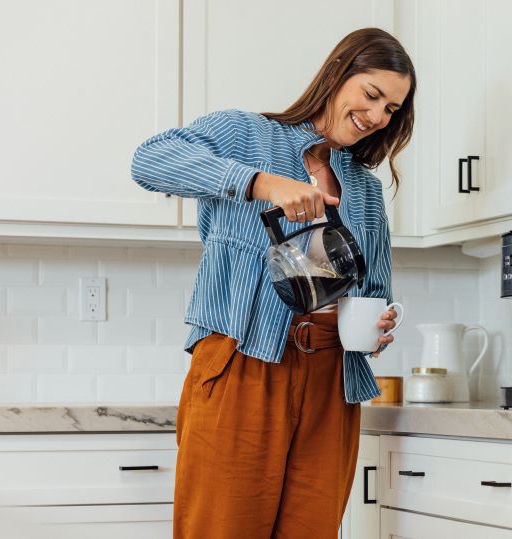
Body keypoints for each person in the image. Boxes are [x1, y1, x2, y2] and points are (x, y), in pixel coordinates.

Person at [130, 28, 415, 538]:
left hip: (333, 377)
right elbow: (149, 160)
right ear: (338, 74)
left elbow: (374, 290)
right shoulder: (246, 135)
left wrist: (381, 321)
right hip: (244, 362)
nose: (377, 116)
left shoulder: (366, 191)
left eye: (391, 109)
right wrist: (262, 183)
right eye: (372, 94)